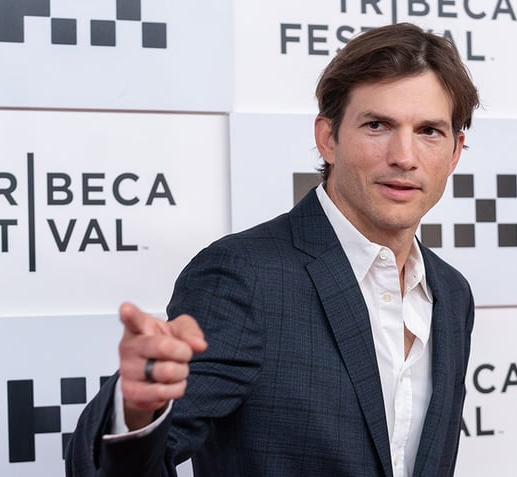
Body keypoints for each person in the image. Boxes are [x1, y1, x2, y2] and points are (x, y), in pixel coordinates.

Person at [65, 22, 479, 477]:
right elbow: (121, 466)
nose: (404, 155)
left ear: (455, 152)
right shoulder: (244, 277)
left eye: (429, 131)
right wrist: (135, 410)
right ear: (328, 138)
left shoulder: (450, 293)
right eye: (377, 125)